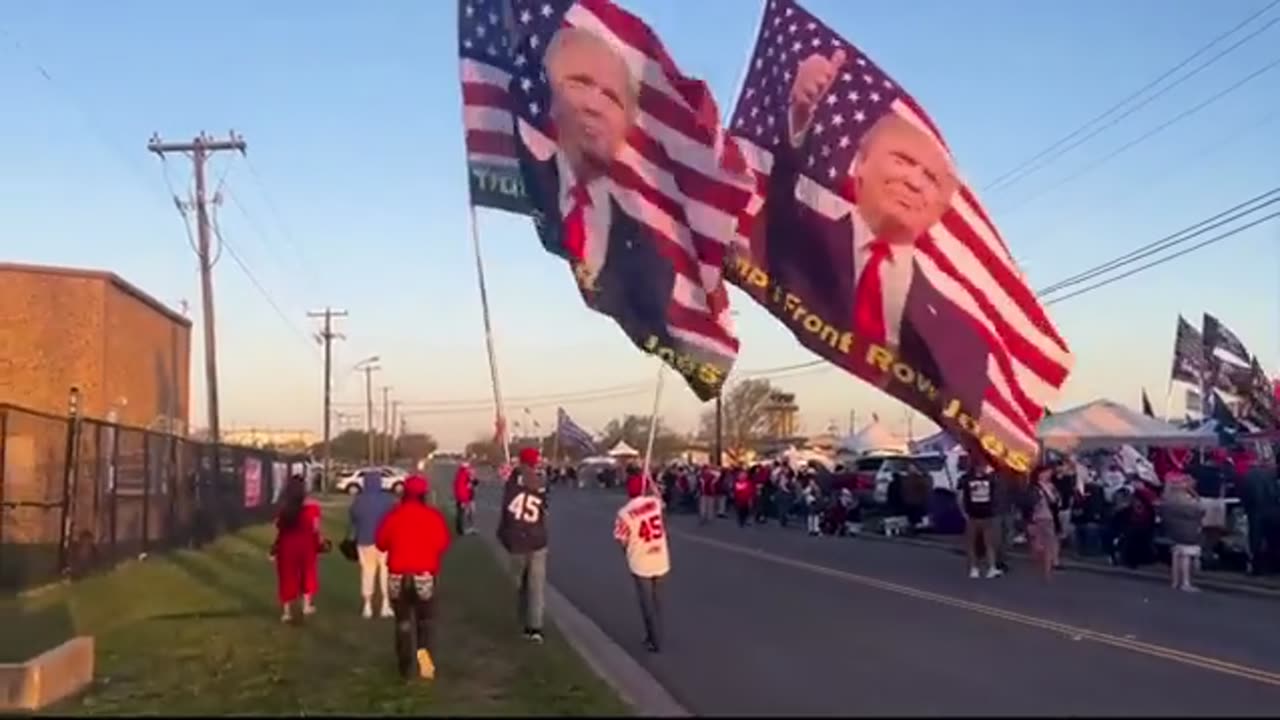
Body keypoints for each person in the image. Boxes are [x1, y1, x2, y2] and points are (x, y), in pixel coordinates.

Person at [516, 25, 686, 374]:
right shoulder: (530, 174)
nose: (593, 104)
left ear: (626, 121)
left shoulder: (653, 242)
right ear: (550, 98)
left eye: (610, 96)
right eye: (578, 82)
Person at [375, 473, 452, 680]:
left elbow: (381, 543)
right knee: (425, 623)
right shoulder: (432, 516)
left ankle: (404, 667)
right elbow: (443, 544)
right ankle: (425, 667)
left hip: (398, 576)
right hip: (424, 575)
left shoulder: (393, 515)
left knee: (403, 622)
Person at [498, 447, 550, 643]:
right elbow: (545, 506)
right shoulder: (541, 482)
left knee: (519, 584)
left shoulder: (512, 482)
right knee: (536, 586)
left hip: (517, 539)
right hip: (537, 539)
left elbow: (506, 506)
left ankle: (522, 619)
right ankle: (534, 627)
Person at [613, 476, 671, 652]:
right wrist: (651, 483)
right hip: (660, 557)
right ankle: (655, 633)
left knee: (646, 603)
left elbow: (621, 538)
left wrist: (627, 551)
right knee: (657, 600)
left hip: (641, 560)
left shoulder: (624, 513)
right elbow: (661, 500)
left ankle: (654, 639)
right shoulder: (654, 504)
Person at [271, 475, 325, 622]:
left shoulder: (283, 508)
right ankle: (306, 605)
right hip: (306, 545)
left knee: (286, 577)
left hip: (287, 546)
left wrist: (274, 549)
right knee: (308, 573)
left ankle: (287, 611)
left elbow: (278, 530)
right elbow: (316, 529)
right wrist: (320, 545)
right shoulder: (313, 508)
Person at [348, 469, 396, 619]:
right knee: (385, 572)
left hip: (364, 540)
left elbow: (353, 519)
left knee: (367, 572)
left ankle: (367, 605)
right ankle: (385, 604)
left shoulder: (358, 500)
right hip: (384, 541)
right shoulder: (387, 500)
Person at [1160, 473, 1206, 592]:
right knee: (1186, 555)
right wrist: (1195, 495)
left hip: (1174, 530)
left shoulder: (1168, 498)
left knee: (1177, 553)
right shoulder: (1185, 500)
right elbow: (1199, 509)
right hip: (1187, 530)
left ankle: (1175, 581)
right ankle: (1185, 582)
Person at [957, 460, 1002, 579]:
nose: (984, 468)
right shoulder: (965, 479)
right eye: (982, 465)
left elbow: (995, 497)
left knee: (989, 543)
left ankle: (991, 568)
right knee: (971, 543)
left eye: (985, 466)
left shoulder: (990, 480)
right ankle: (974, 568)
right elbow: (960, 497)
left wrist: (993, 510)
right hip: (972, 515)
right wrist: (964, 513)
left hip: (987, 515)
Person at [1027, 465, 1061, 582]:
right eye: (1046, 472)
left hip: (1049, 518)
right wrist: (1029, 521)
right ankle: (1039, 567)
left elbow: (1056, 501)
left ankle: (1047, 572)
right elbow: (1029, 505)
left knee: (1048, 544)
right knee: (1038, 546)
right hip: (1037, 518)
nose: (1048, 475)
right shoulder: (1034, 488)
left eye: (1049, 473)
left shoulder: (1051, 486)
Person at [453, 462, 477, 536]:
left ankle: (463, 529)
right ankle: (461, 530)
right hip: (464, 498)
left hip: (466, 497)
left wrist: (472, 481)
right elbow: (461, 488)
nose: (469, 469)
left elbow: (474, 483)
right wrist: (463, 500)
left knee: (466, 513)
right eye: (468, 467)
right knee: (462, 514)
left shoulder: (464, 474)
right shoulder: (463, 475)